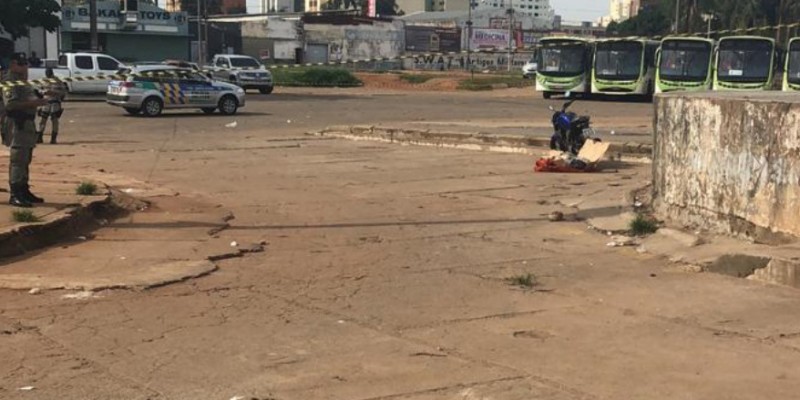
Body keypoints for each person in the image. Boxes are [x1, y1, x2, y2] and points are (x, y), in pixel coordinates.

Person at [2, 53, 50, 207]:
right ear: (13, 64)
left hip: (27, 123)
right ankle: (15, 193)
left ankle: (24, 190)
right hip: (17, 122)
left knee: (26, 158)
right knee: (18, 159)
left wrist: (41, 97)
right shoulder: (9, 81)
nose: (26, 66)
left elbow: (30, 96)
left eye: (26, 63)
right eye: (22, 63)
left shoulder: (22, 81)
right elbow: (11, 104)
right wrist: (35, 103)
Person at [36, 68, 66, 144]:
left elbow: (63, 92)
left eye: (49, 73)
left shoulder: (58, 81)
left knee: (54, 121)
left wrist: (54, 92)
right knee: (43, 120)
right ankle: (39, 137)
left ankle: (53, 138)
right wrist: (44, 92)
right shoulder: (43, 80)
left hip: (55, 102)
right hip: (45, 102)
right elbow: (39, 90)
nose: (48, 74)